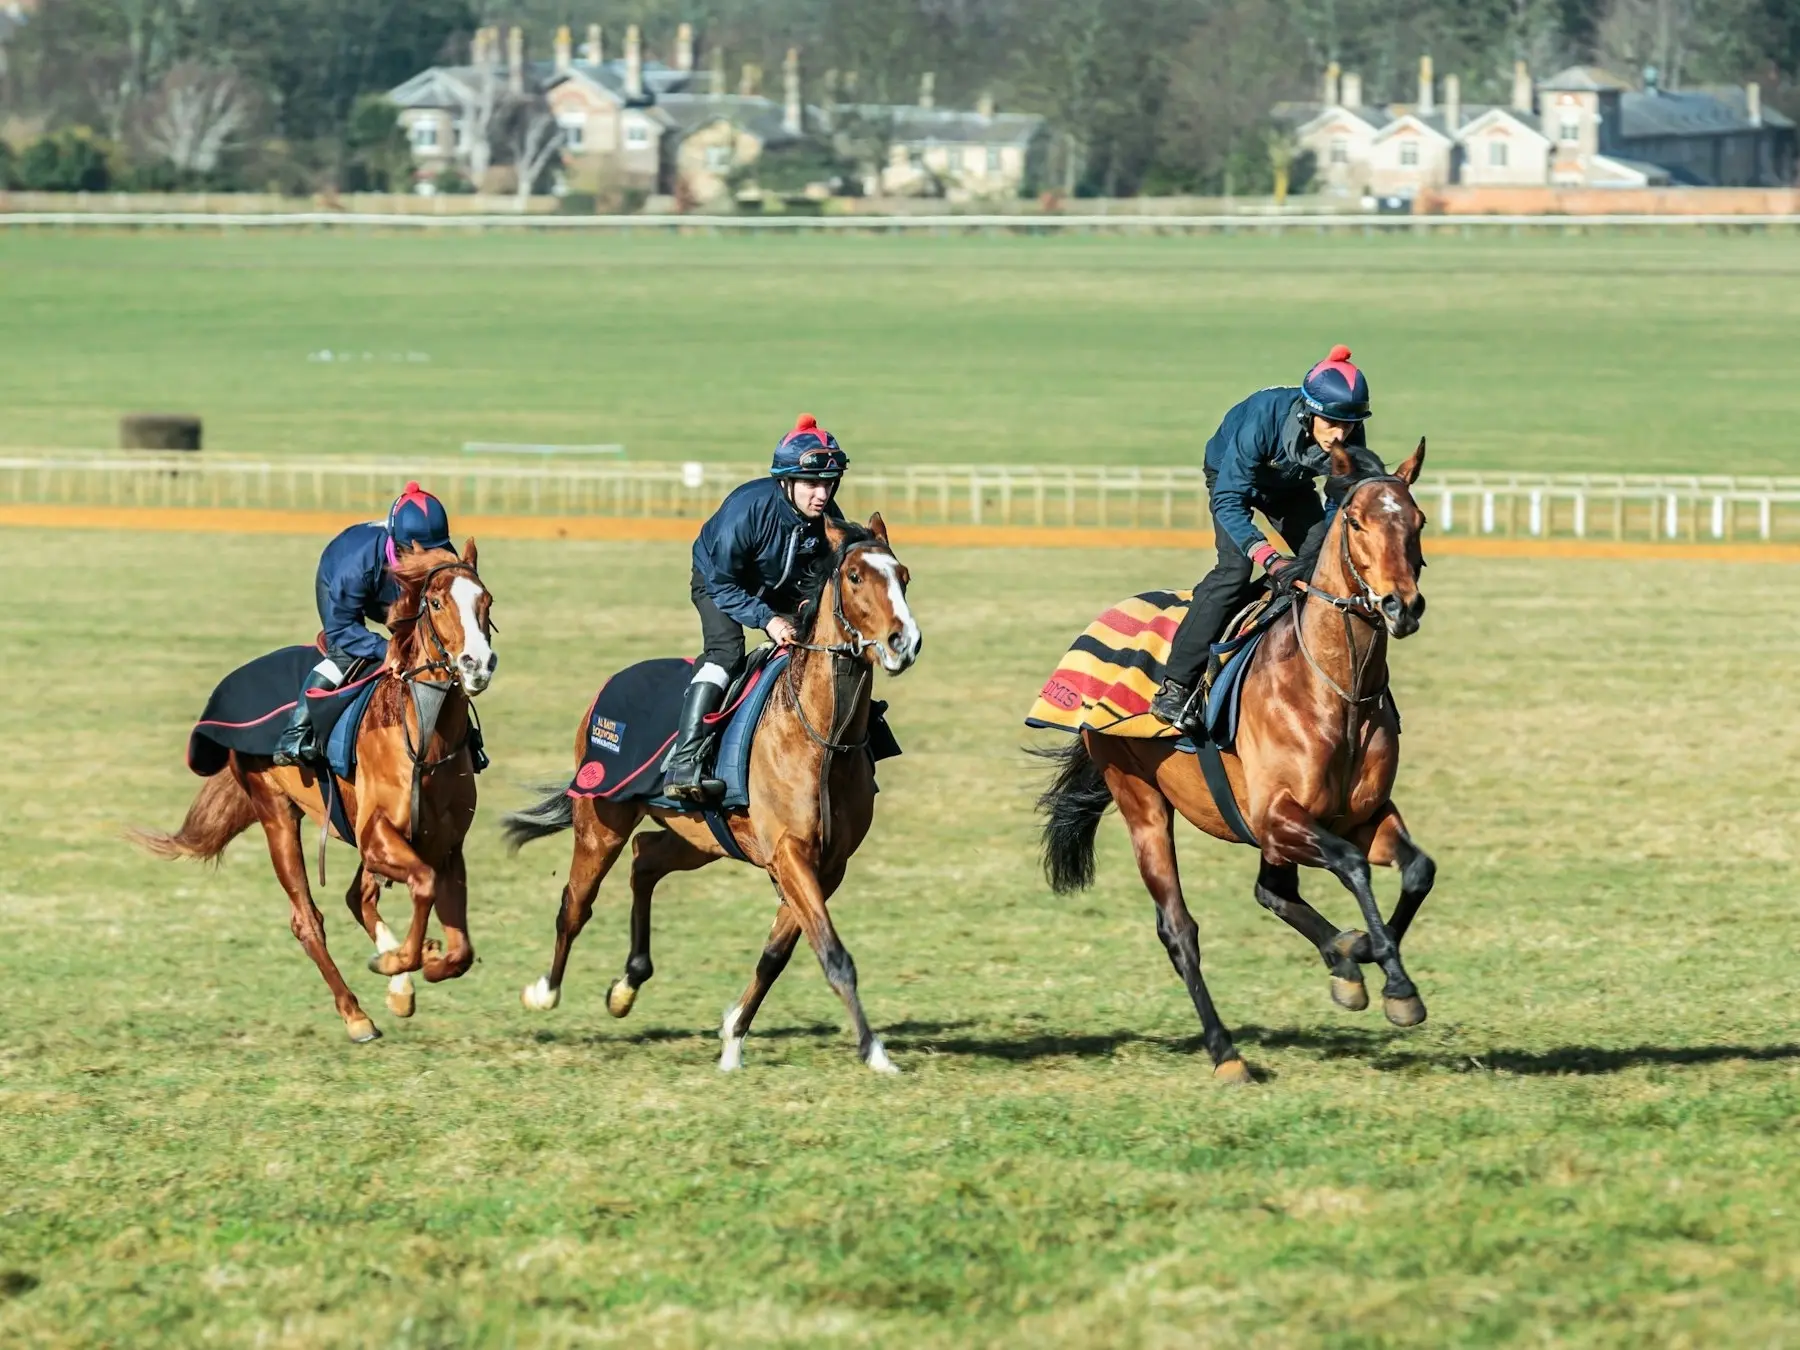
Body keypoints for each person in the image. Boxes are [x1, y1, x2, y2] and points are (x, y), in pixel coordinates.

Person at [1151, 345, 1382, 732]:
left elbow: (1337, 498)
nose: (1340, 434)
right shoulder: (1263, 416)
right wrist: (1270, 558)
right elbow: (1228, 500)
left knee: (1319, 562)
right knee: (1235, 570)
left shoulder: (1349, 432)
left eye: (1348, 424)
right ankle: (1175, 687)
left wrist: (1313, 552)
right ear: (1309, 412)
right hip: (1231, 480)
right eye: (1330, 423)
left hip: (1290, 489)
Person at [664, 414, 849, 802]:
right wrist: (768, 621)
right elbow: (722, 582)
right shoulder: (746, 510)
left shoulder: (830, 519)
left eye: (829, 484)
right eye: (812, 484)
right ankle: (684, 763)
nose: (822, 494)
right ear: (786, 481)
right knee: (726, 654)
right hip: (719, 580)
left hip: (780, 588)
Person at [271, 482, 454, 766]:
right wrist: (388, 649)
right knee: (344, 653)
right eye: (425, 553)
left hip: (394, 586)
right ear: (406, 546)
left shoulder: (441, 552)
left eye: (438, 550)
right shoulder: (355, 567)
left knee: (433, 654)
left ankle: (465, 742)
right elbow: (342, 630)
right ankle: (293, 735)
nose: (434, 560)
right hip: (342, 579)